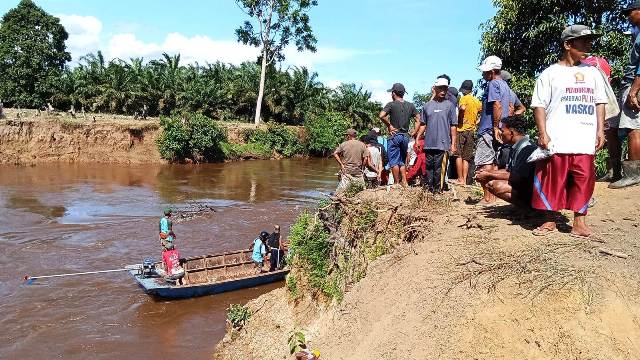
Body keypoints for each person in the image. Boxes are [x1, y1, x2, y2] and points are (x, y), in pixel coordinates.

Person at [530, 24, 607, 238]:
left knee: (584, 179)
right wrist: (543, 133)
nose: (588, 45)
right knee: (552, 179)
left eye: (590, 41)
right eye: (583, 41)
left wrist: (601, 130)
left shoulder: (593, 73)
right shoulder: (550, 74)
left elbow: (600, 103)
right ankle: (549, 220)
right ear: (567, 44)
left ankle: (579, 223)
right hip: (558, 139)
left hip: (584, 138)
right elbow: (539, 105)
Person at [474, 116, 537, 207]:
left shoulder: (526, 148)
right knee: (490, 182)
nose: (500, 133)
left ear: (511, 133)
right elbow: (509, 171)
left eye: (502, 131)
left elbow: (517, 177)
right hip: (525, 186)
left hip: (532, 190)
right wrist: (487, 172)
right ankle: (523, 207)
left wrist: (489, 174)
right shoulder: (516, 146)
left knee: (495, 185)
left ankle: (529, 208)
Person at [475, 55, 513, 205]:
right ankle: (494, 197)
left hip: (488, 129)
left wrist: (495, 126)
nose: (483, 75)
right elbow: (510, 107)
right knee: (495, 163)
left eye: (485, 72)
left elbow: (497, 105)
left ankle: (488, 198)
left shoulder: (492, 84)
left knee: (484, 163)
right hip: (499, 129)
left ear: (491, 71)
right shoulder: (505, 85)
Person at [610, 1, 640, 189]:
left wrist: (633, 90)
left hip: (635, 84)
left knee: (633, 127)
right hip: (633, 82)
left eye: (631, 12)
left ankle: (633, 175)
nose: (628, 16)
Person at [415, 78, 458, 193]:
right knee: (429, 167)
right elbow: (423, 124)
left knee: (440, 169)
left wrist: (453, 144)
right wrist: (417, 138)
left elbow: (453, 126)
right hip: (429, 143)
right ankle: (430, 189)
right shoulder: (427, 106)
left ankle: (438, 190)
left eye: (445, 88)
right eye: (441, 88)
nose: (443, 91)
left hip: (443, 144)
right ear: (435, 88)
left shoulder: (450, 106)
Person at [379, 83, 420, 187]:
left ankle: (397, 183)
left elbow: (382, 115)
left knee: (394, 161)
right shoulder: (410, 105)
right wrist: (414, 132)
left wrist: (389, 125)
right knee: (401, 160)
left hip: (394, 136)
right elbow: (418, 119)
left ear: (393, 93)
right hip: (405, 136)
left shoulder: (391, 104)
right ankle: (404, 182)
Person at [455, 80, 481, 184]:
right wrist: (476, 122)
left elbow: (463, 108)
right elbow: (483, 112)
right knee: (467, 157)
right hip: (471, 130)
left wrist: (460, 120)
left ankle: (460, 179)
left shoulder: (463, 98)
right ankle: (465, 180)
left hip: (461, 129)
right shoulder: (476, 100)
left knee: (458, 155)